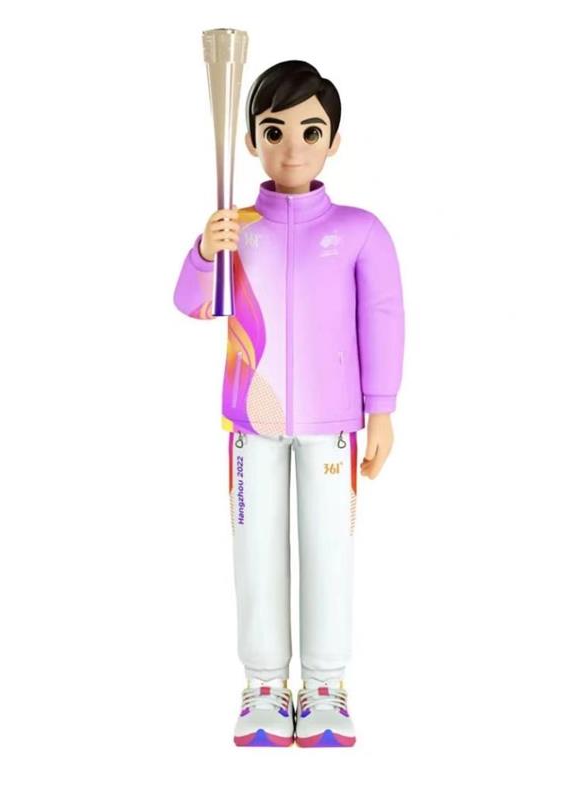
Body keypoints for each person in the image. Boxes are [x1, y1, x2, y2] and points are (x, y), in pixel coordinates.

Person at [173, 59, 405, 747]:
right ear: (251, 141)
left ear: (334, 140)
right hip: (254, 418)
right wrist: (203, 251)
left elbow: (383, 318)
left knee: (330, 550)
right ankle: (265, 685)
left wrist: (382, 409)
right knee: (257, 551)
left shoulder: (362, 231)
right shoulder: (235, 227)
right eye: (275, 132)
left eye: (311, 131)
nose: (293, 148)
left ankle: (326, 685)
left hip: (335, 425)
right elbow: (195, 305)